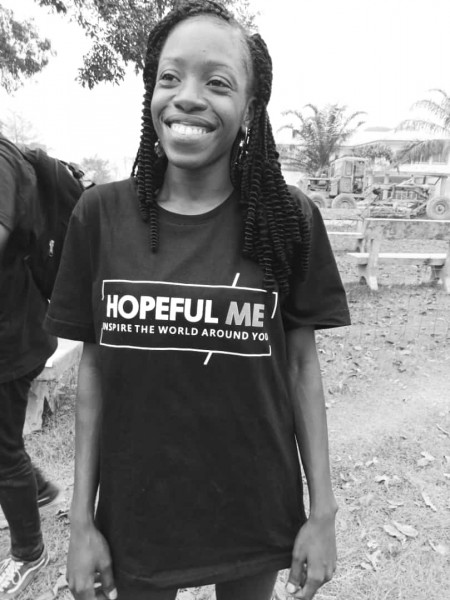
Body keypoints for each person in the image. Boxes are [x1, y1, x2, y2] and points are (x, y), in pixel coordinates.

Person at [45, 1, 351, 599]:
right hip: (137, 514)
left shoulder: (285, 219)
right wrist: (81, 522)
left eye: (217, 83)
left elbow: (300, 366)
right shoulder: (100, 216)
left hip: (253, 504)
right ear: (151, 94)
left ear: (251, 108)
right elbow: (93, 373)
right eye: (170, 77)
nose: (186, 97)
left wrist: (323, 513)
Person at [0, 135, 60, 597]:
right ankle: (35, 488)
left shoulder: (0, 159)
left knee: (2, 451)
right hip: (14, 329)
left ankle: (29, 551)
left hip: (11, 338)